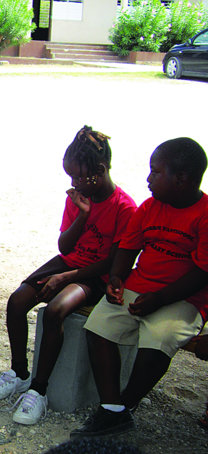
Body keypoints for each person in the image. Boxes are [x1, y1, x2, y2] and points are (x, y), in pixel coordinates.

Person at [0, 126, 137, 426]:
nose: (74, 183)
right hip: (70, 261)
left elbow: (113, 263)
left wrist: (65, 279)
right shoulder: (79, 198)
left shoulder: (124, 207)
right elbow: (64, 246)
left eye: (80, 177)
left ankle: (39, 391)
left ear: (101, 170)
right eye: (70, 177)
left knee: (55, 311)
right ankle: (19, 373)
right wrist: (83, 215)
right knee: (17, 301)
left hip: (96, 275)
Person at [71, 137, 208, 438]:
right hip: (141, 286)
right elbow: (128, 248)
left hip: (184, 297)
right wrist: (118, 279)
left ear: (181, 179)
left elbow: (201, 274)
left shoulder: (205, 214)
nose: (148, 179)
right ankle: (112, 409)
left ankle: (128, 403)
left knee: (159, 337)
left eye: (156, 172)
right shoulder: (149, 207)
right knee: (98, 326)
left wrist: (158, 300)